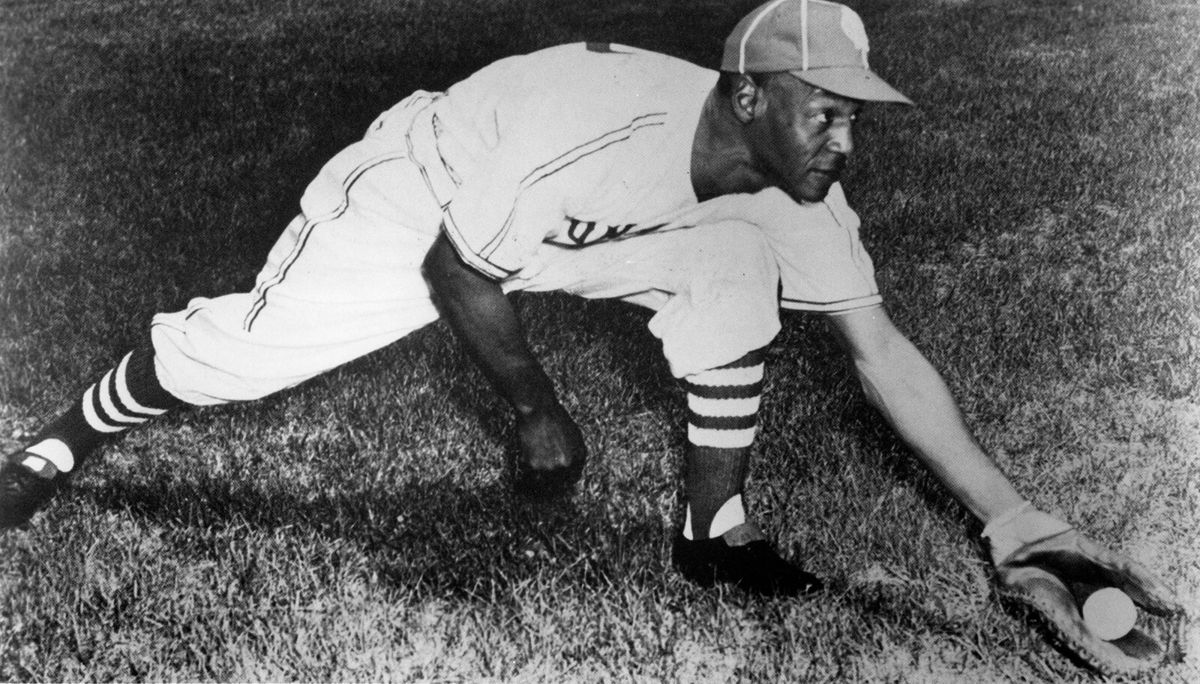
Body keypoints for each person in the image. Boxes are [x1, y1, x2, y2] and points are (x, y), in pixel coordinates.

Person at [0, 0, 1181, 674]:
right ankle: (63, 439)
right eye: (830, 113)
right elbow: (462, 267)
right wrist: (535, 409)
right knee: (246, 355)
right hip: (434, 196)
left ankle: (713, 534)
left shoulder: (788, 188)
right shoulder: (593, 128)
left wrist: (1026, 527)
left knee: (732, 265)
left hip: (580, 227)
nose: (846, 143)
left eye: (854, 119)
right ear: (749, 97)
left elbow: (883, 354)